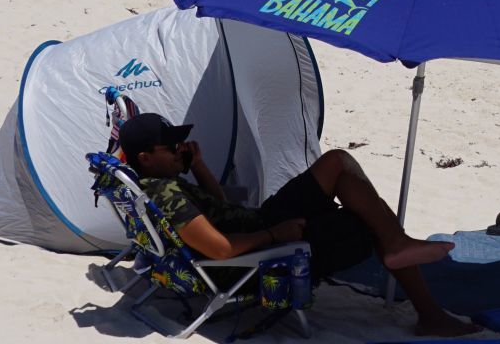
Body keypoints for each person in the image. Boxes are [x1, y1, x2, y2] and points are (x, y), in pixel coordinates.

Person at [117, 113, 472, 337]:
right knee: (369, 219)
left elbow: (219, 209)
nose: (180, 148)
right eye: (172, 146)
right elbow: (219, 249)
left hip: (255, 224)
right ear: (146, 157)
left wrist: (196, 166)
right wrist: (276, 234)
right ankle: (427, 307)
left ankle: (399, 250)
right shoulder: (165, 194)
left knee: (336, 163)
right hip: (256, 251)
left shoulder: (161, 182)